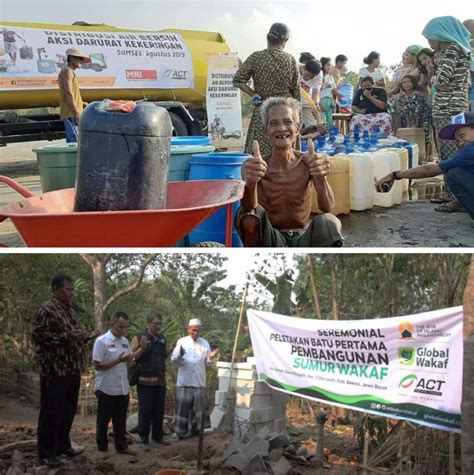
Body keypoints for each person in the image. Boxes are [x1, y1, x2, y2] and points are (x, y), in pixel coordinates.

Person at [235, 96, 343, 247]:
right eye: (274, 123)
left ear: (297, 129)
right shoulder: (255, 166)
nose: (281, 128)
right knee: (247, 217)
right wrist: (251, 183)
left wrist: (320, 177)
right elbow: (248, 207)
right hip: (271, 238)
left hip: (303, 237)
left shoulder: (308, 163)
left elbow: (327, 208)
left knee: (329, 221)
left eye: (288, 122)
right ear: (266, 131)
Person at [32, 275, 100, 468]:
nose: (70, 293)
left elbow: (73, 336)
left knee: (67, 410)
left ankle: (63, 446)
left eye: (72, 290)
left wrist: (86, 337)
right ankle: (46, 454)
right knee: (51, 412)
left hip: (72, 367)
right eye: (67, 290)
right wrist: (67, 336)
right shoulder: (47, 310)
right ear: (55, 289)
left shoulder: (68, 310)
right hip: (55, 369)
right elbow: (38, 338)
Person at [376, 111, 474, 224]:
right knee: (458, 168)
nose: (461, 143)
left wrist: (394, 175)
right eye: (457, 140)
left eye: (462, 135)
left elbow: (430, 170)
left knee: (453, 174)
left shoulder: (470, 150)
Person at [422, 16, 471, 212]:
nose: (428, 42)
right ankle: (450, 192)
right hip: (446, 106)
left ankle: (458, 198)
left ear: (440, 34)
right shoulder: (449, 51)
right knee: (445, 151)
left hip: (449, 107)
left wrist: (433, 73)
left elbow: (441, 80)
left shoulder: (452, 50)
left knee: (451, 150)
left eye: (429, 37)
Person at [233, 23, 300, 156]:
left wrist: (253, 94)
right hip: (285, 111)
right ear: (284, 41)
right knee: (286, 154)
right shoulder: (289, 59)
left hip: (264, 112)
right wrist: (297, 121)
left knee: (259, 155)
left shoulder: (255, 57)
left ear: (268, 37)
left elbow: (238, 80)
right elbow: (296, 93)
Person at [93, 311, 148, 455]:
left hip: (122, 387)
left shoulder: (124, 341)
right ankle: (102, 448)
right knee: (103, 420)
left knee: (120, 419)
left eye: (125, 327)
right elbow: (98, 365)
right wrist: (118, 360)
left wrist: (141, 349)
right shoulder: (101, 341)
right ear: (112, 324)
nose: (123, 330)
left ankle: (121, 446)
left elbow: (129, 361)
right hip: (106, 387)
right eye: (120, 327)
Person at [170, 319, 219, 439]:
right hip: (185, 380)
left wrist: (211, 357)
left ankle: (197, 433)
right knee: (182, 408)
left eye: (198, 330)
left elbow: (207, 363)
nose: (195, 333)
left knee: (199, 409)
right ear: (188, 330)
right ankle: (179, 432)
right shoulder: (182, 342)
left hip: (198, 380)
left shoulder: (204, 343)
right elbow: (173, 360)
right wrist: (180, 355)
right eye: (193, 330)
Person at [130, 313, 170, 450]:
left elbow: (164, 356)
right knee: (145, 411)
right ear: (148, 323)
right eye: (155, 323)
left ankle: (158, 436)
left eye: (160, 323)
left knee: (159, 410)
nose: (158, 326)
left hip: (160, 380)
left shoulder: (162, 339)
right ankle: (144, 438)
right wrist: (142, 348)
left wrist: (172, 349)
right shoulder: (139, 337)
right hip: (145, 380)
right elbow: (131, 357)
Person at [58, 47, 91, 143]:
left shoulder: (70, 72)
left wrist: (82, 103)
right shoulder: (67, 72)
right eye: (80, 59)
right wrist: (76, 112)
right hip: (71, 113)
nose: (82, 61)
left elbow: (73, 94)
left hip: (73, 112)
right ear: (72, 58)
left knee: (76, 142)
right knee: (75, 143)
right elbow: (68, 93)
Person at [397, 75, 431, 160]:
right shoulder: (402, 96)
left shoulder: (418, 94)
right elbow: (405, 111)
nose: (406, 84)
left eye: (408, 82)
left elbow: (418, 109)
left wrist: (416, 123)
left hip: (423, 117)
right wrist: (409, 124)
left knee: (426, 135)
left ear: (413, 83)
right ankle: (414, 157)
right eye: (404, 82)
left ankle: (426, 157)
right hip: (410, 118)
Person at [298, 52, 323, 127]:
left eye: (311, 77)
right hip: (292, 100)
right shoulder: (294, 67)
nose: (307, 78)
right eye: (307, 75)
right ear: (304, 68)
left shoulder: (319, 74)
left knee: (312, 125)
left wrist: (315, 105)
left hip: (306, 100)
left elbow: (315, 93)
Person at [319, 57, 337, 126]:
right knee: (323, 121)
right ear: (322, 65)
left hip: (329, 100)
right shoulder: (319, 76)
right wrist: (319, 103)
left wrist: (332, 101)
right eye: (327, 65)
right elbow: (315, 92)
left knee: (329, 121)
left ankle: (329, 136)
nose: (329, 67)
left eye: (330, 65)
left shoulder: (330, 77)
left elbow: (331, 91)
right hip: (321, 100)